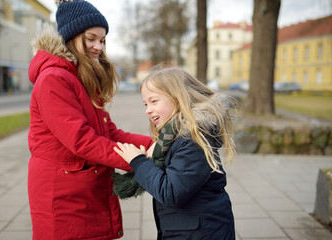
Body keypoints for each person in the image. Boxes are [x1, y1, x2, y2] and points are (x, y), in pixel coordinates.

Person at [27, 0, 153, 239]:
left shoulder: (79, 77)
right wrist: (137, 160)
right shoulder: (54, 79)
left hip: (81, 189)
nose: (99, 47)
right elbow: (82, 140)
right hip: (64, 195)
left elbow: (109, 133)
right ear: (72, 37)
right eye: (91, 38)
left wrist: (154, 145)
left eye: (103, 40)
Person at [114, 66, 237, 239]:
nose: (147, 110)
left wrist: (138, 161)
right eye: (145, 104)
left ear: (178, 99)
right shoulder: (171, 137)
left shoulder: (193, 140)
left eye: (154, 101)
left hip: (202, 233)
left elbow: (170, 193)